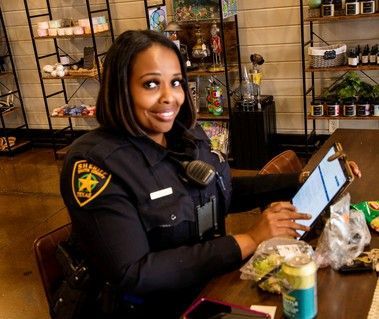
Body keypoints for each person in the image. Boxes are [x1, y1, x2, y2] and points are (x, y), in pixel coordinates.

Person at [60, 30, 361, 318]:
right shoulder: (94, 164)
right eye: (151, 84)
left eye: (176, 82)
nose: (170, 97)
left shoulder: (184, 135)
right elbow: (135, 272)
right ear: (120, 89)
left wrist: (302, 180)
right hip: (146, 308)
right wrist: (250, 239)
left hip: (206, 282)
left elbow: (221, 190)